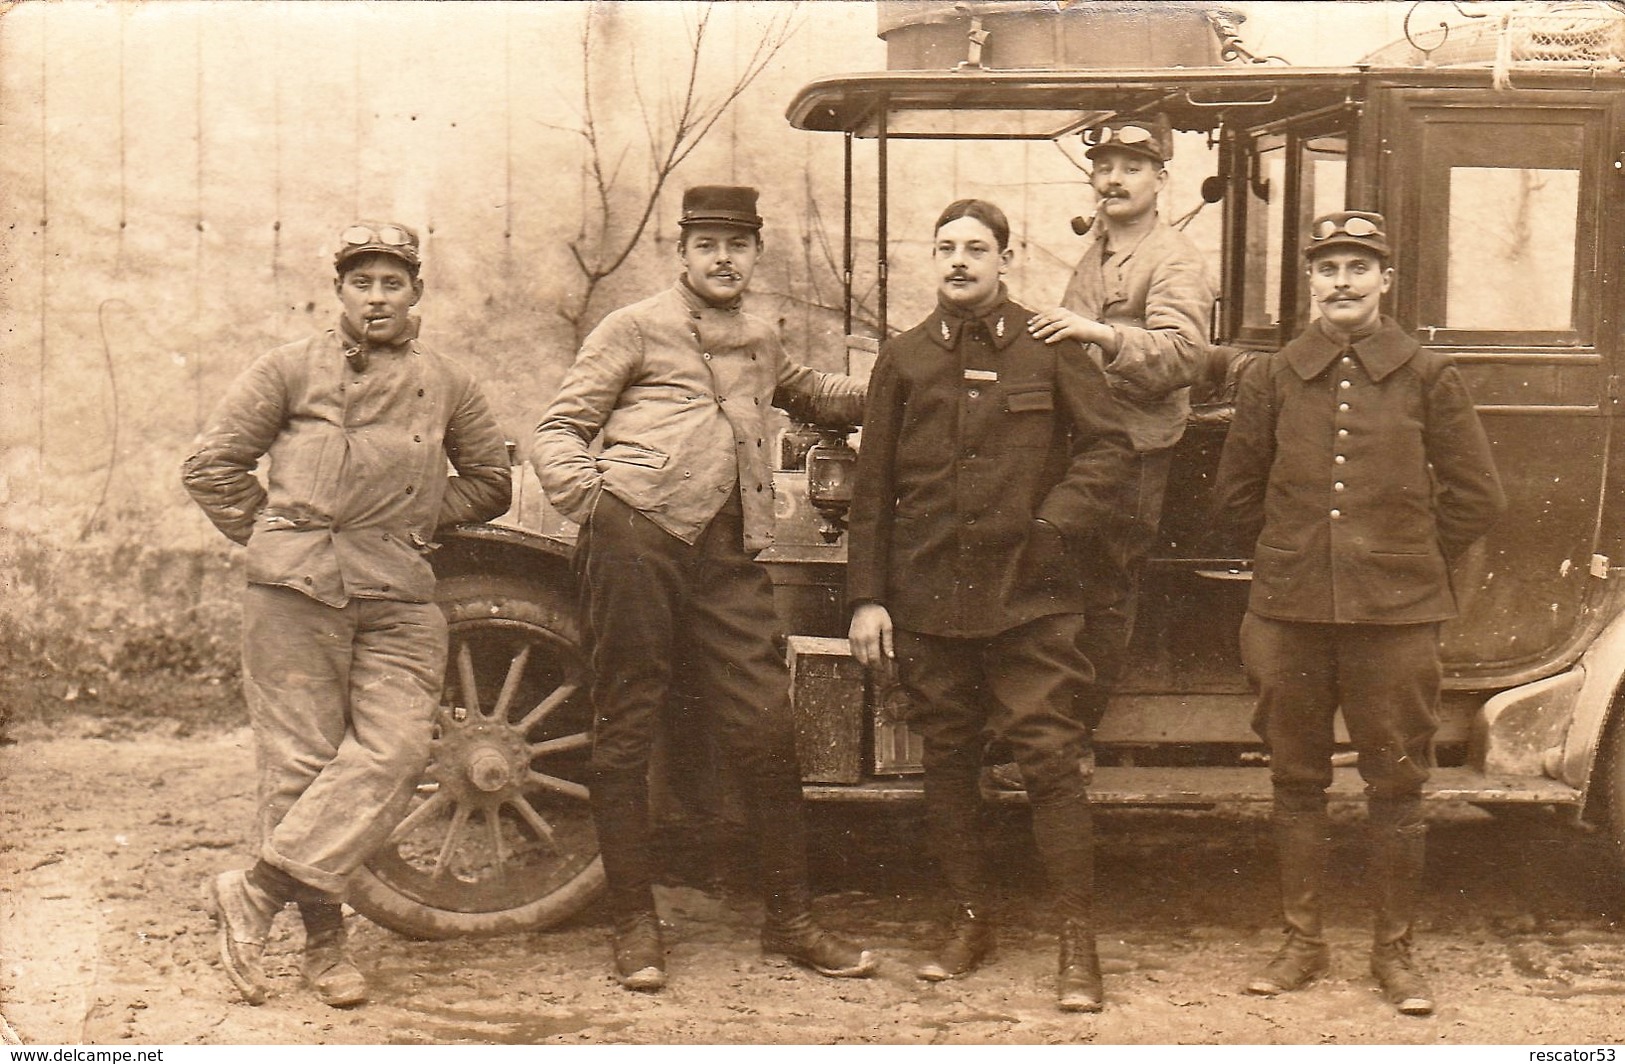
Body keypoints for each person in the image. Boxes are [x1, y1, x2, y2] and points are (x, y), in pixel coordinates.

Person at [531, 185, 874, 992]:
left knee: (766, 723)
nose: (723, 259)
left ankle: (789, 918)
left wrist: (903, 379)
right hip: (637, 539)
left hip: (727, 551)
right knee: (626, 723)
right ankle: (634, 925)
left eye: (738, 245)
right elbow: (557, 427)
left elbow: (814, 393)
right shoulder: (633, 327)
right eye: (707, 244)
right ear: (680, 253)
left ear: (756, 254)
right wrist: (600, 505)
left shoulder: (758, 335)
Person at [182, 222, 514, 1007]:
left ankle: (257, 890)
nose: (375, 297)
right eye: (360, 282)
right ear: (337, 292)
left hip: (397, 591)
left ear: (415, 294)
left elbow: (492, 481)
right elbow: (211, 466)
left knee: (397, 749)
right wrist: (279, 532)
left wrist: (421, 520)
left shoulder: (449, 383)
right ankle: (325, 948)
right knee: (298, 767)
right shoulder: (288, 369)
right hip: (295, 589)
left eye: (391, 283)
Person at [846, 199, 1140, 1012]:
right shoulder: (902, 360)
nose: (959, 262)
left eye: (976, 248)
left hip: (1030, 599)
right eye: (944, 247)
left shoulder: (1049, 350)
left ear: (1004, 259)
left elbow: (1111, 451)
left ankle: (1076, 946)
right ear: (930, 259)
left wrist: (1053, 526)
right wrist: (868, 598)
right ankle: (970, 921)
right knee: (946, 760)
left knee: (1049, 760)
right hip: (930, 597)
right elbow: (872, 493)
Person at [1210, 211, 1505, 1016]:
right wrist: (1294, 553)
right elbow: (1236, 494)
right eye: (1327, 267)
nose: (1341, 282)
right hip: (1288, 612)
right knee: (1294, 778)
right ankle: (1300, 944)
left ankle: (1393, 955)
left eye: (1357, 267)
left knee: (1397, 783)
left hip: (1397, 619)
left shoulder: (1426, 376)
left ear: (1384, 281)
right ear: (1310, 281)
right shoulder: (1270, 377)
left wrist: (1402, 558)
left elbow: (1477, 495)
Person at [1025, 113, 1214, 742]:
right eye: (1104, 167)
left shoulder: (1173, 257)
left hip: (1135, 448)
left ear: (1161, 179)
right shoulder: (1100, 248)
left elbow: (1186, 354)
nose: (1114, 179)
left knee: (1104, 593)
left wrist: (1100, 335)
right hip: (1088, 440)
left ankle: (1076, 739)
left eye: (1131, 168)